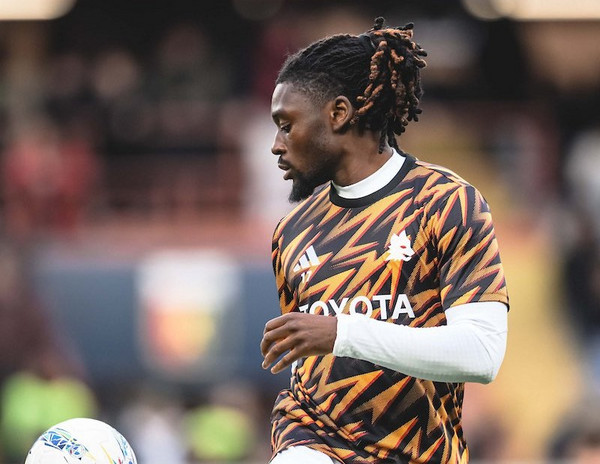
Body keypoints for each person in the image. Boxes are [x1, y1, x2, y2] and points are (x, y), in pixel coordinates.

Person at [260, 17, 509, 464]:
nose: (276, 145)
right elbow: (309, 371)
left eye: (286, 125)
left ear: (338, 114)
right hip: (315, 444)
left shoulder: (446, 202)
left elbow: (482, 354)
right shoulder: (291, 231)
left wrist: (343, 332)